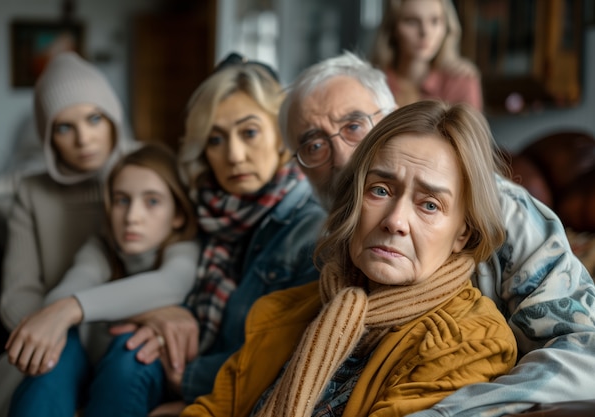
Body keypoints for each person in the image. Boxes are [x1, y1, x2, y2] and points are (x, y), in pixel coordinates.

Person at [279, 52, 595, 416]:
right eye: (314, 144)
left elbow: (583, 350)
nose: (341, 156)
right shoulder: (323, 244)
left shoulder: (506, 212)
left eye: (353, 126)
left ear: (390, 117)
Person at [182, 100, 518, 417]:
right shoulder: (289, 308)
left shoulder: (469, 340)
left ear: (463, 233)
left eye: (429, 204)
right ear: (353, 202)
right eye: (380, 190)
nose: (395, 221)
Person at [93, 53, 327, 415]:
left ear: (282, 137)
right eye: (216, 140)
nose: (234, 155)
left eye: (249, 133)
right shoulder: (200, 209)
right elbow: (153, 281)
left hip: (231, 389)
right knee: (128, 349)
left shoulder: (308, 232)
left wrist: (185, 384)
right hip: (184, 360)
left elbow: (287, 360)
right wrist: (161, 313)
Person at [0, 51, 139, 417]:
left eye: (94, 119)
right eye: (65, 127)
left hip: (130, 326)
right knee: (50, 366)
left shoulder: (147, 171)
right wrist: (53, 328)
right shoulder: (33, 191)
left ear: (113, 117)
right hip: (55, 332)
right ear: (48, 135)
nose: (84, 138)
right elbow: (18, 292)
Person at [5, 143, 200, 416]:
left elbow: (170, 283)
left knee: (132, 348)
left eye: (152, 201)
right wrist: (60, 314)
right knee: (58, 347)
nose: (132, 217)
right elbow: (60, 298)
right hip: (84, 369)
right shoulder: (101, 248)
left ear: (178, 214)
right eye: (122, 200)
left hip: (135, 375)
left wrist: (69, 310)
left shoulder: (184, 249)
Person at [371, 0, 483, 110]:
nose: (425, 32)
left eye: (435, 21)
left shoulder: (461, 81)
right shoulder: (372, 83)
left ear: (447, 27)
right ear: (392, 28)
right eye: (412, 21)